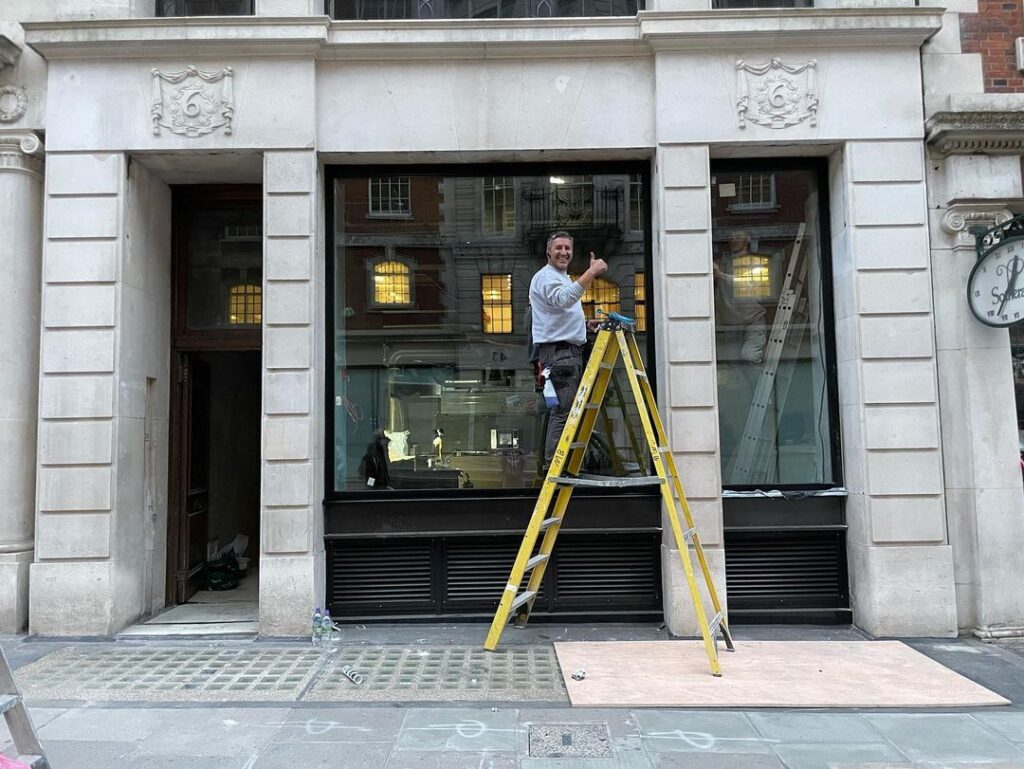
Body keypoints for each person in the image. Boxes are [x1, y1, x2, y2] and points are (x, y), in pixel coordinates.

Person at [529, 231, 608, 467]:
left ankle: (561, 463)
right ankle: (556, 464)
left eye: (568, 248)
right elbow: (563, 300)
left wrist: (584, 325)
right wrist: (591, 273)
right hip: (560, 353)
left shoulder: (559, 277)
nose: (564, 252)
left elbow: (556, 315)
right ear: (548, 251)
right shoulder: (546, 277)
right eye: (559, 247)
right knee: (563, 411)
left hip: (565, 351)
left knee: (567, 409)